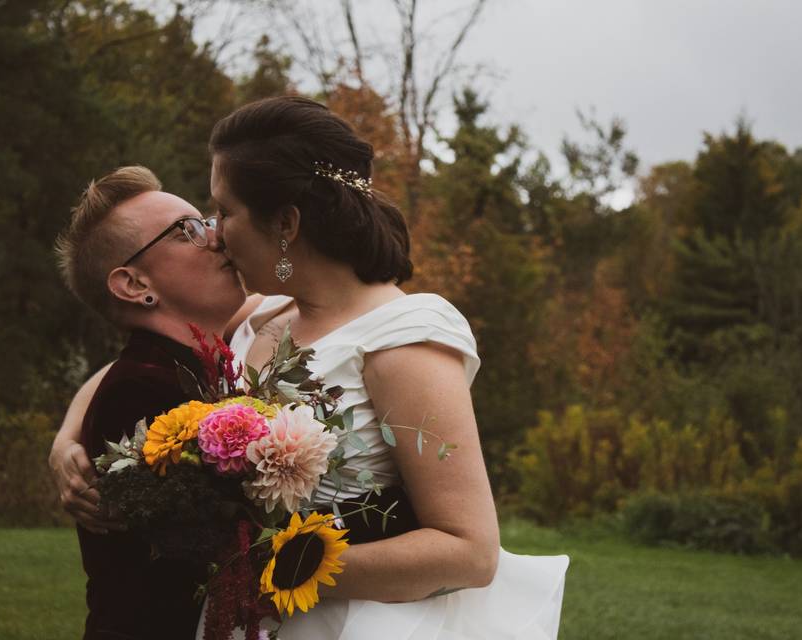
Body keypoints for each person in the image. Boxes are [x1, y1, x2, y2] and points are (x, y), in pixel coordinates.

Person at [54, 98, 568, 640]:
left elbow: (470, 552)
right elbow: (140, 358)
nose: (217, 234)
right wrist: (67, 441)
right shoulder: (264, 318)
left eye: (224, 212)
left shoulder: (402, 338)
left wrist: (273, 570)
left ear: (286, 224)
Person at [50, 165, 250, 640]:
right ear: (136, 285)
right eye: (188, 231)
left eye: (206, 220)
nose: (217, 236)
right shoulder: (141, 394)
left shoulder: (189, 366)